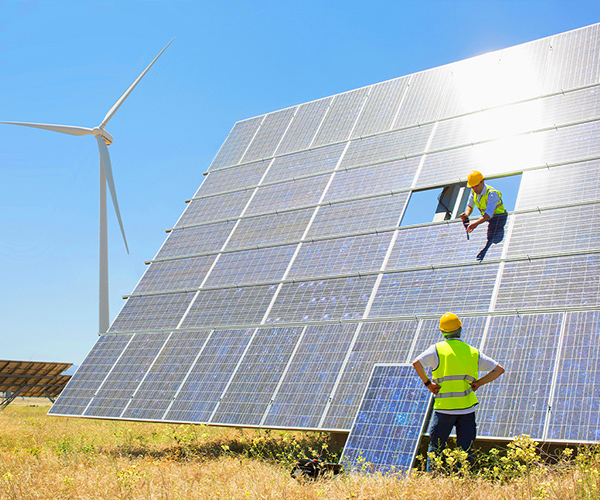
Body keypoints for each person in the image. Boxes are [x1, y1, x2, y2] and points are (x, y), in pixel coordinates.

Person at [412, 312, 504, 472]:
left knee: (436, 449)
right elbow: (498, 370)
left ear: (442, 331)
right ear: (460, 328)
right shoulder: (472, 352)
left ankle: (433, 481)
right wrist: (478, 383)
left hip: (444, 409)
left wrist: (428, 383)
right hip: (467, 409)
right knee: (465, 450)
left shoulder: (437, 350)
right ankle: (464, 481)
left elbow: (416, 363)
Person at [459, 170, 508, 261]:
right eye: (472, 187)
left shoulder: (492, 194)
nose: (475, 189)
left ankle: (487, 250)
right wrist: (466, 214)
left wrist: (475, 224)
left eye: (476, 186)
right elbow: (470, 206)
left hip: (499, 218)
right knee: (490, 238)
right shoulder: (474, 192)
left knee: (494, 239)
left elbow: (488, 214)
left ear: (483, 182)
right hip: (490, 219)